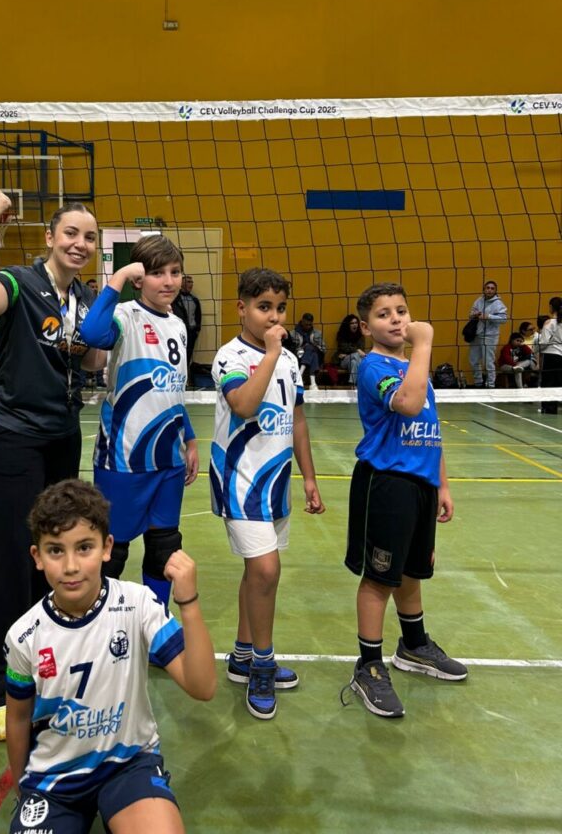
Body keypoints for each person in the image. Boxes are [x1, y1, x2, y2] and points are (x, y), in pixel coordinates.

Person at [0, 188, 107, 743]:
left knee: (54, 557)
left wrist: (108, 314)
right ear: (50, 237)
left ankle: (43, 664)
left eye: (89, 237)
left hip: (61, 436)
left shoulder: (86, 296)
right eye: (71, 233)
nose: (80, 243)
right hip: (10, 437)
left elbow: (91, 359)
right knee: (8, 562)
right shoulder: (21, 282)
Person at [4, 479, 215, 834]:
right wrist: (23, 790)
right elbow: (18, 719)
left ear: (107, 547)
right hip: (54, 781)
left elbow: (203, 686)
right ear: (37, 557)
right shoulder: (24, 636)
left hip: (128, 764)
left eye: (84, 547)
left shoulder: (138, 604)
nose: (71, 566)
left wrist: (189, 603)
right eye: (56, 550)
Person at [341, 282, 467, 720]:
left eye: (401, 310)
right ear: (365, 326)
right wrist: (426, 342)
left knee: (412, 570)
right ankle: (369, 665)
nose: (395, 319)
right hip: (386, 483)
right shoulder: (375, 367)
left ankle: (413, 646)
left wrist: (442, 484)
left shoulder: (414, 366)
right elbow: (410, 405)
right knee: (380, 577)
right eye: (383, 314)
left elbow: (430, 427)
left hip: (420, 482)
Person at [210, 267, 324, 721]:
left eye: (279, 307)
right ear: (242, 308)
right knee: (267, 571)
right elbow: (244, 405)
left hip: (276, 482)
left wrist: (310, 477)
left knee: (258, 575)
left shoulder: (291, 361)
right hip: (239, 480)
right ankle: (261, 663)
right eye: (263, 307)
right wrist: (272, 355)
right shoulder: (230, 356)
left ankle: (241, 656)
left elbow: (296, 420)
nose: (273, 316)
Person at [79, 236, 198, 606]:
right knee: (113, 550)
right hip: (124, 461)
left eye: (175, 272)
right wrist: (115, 280)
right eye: (157, 273)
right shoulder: (125, 316)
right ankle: (96, 621)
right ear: (138, 280)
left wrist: (190, 439)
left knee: (165, 546)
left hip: (168, 460)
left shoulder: (178, 324)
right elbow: (92, 334)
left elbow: (173, 390)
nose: (168, 281)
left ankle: (153, 621)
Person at [467, 280, 508, 389]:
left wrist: (489, 316)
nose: (489, 290)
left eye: (492, 288)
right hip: (476, 334)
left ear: (495, 291)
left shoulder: (499, 304)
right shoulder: (479, 301)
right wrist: (474, 314)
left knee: (488, 362)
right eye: (487, 288)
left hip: (490, 336)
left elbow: (504, 319)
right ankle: (478, 383)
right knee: (474, 360)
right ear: (484, 289)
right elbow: (470, 314)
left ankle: (490, 385)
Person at [171, 274, 202, 374]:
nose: (191, 284)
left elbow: (198, 316)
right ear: (182, 283)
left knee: (188, 355)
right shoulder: (174, 299)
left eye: (191, 282)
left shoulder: (194, 300)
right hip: (178, 332)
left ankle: (185, 376)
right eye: (188, 282)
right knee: (178, 354)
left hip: (191, 332)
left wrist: (197, 329)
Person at [538, 297, 562, 415]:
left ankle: (549, 409)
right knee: (558, 382)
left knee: (548, 382)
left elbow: (543, 343)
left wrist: (538, 350)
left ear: (551, 307)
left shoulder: (549, 323)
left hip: (551, 355)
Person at [290, 312, 326, 390]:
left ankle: (300, 373)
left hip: (316, 353)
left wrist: (314, 346)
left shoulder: (317, 333)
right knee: (312, 354)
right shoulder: (293, 333)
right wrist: (302, 348)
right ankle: (313, 383)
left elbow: (323, 348)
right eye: (306, 324)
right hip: (298, 356)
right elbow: (290, 350)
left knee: (311, 349)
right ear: (302, 321)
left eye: (310, 325)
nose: (308, 326)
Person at [332, 313, 366, 386]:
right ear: (348, 325)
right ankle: (361, 382)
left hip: (353, 359)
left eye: (356, 323)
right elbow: (344, 347)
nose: (354, 325)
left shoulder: (360, 335)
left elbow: (361, 349)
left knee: (354, 362)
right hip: (343, 360)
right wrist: (356, 350)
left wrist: (350, 352)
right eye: (352, 323)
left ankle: (352, 384)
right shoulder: (341, 334)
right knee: (356, 355)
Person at [83, 278, 105, 388]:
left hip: (98, 332)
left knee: (98, 355)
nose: (94, 289)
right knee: (82, 356)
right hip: (84, 333)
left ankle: (100, 380)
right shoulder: (81, 299)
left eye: (96, 287)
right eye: (92, 287)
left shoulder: (100, 299)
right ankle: (81, 382)